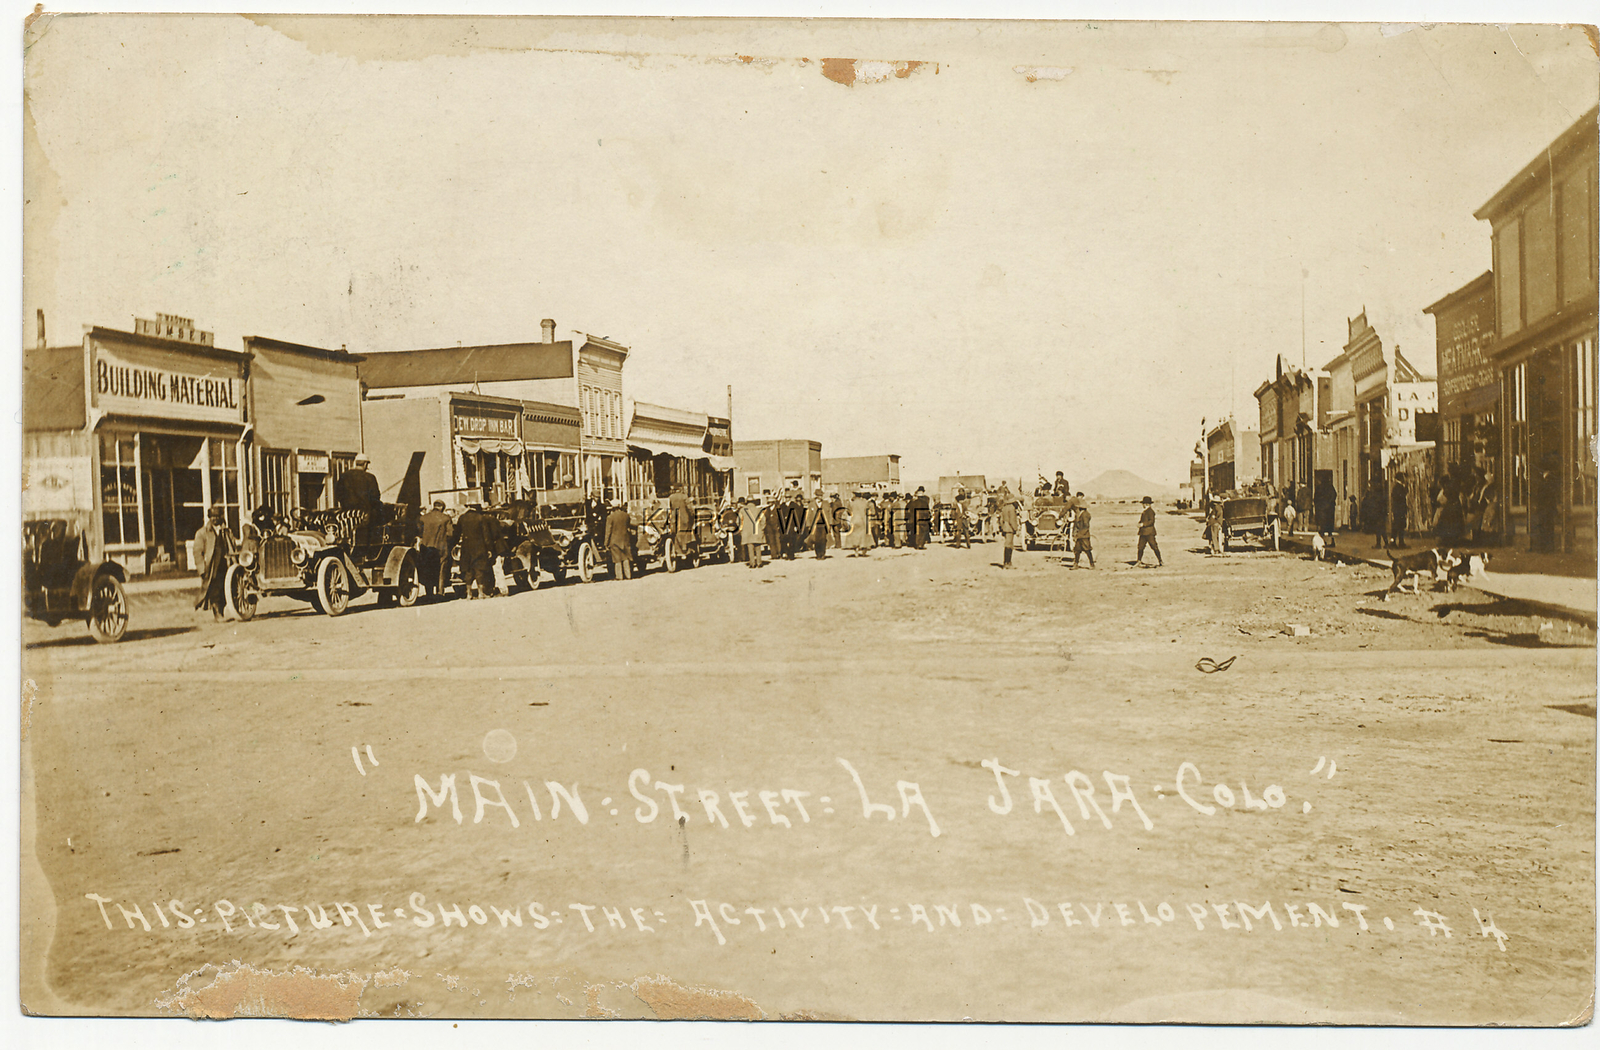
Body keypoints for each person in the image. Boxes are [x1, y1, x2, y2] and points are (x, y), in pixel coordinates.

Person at [192, 503, 233, 621]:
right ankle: (217, 614)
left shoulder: (226, 531)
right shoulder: (202, 533)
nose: (215, 519)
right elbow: (197, 552)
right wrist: (201, 568)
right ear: (209, 518)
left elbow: (232, 546)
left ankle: (221, 611)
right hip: (212, 566)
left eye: (217, 516)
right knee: (214, 590)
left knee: (226, 589)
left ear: (221, 517)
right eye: (212, 516)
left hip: (225, 564)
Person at [455, 501, 497, 598]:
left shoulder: (462, 518)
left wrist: (455, 543)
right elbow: (486, 535)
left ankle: (469, 593)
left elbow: (457, 533)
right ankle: (480, 593)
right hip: (480, 547)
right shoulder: (480, 518)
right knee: (479, 570)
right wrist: (489, 549)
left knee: (468, 570)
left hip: (466, 547)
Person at [419, 499, 455, 598]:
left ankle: (429, 593)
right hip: (441, 548)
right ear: (442, 507)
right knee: (441, 570)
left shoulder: (423, 518)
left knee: (428, 569)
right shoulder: (445, 518)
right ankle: (440, 592)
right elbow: (450, 534)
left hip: (426, 548)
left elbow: (419, 532)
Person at [605, 500, 635, 579]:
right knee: (626, 558)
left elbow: (608, 531)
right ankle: (628, 575)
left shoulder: (610, 517)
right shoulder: (626, 515)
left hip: (614, 541)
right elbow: (629, 526)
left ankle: (619, 576)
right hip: (625, 539)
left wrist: (606, 543)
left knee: (617, 559)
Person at [668, 486, 694, 571]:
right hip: (684, 518)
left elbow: (670, 508)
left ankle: (678, 550)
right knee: (686, 534)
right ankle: (686, 550)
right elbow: (689, 508)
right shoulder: (684, 496)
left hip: (674, 519)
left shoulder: (671, 497)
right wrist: (692, 514)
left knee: (675, 535)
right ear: (680, 490)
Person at [997, 483, 1021, 568]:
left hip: (1005, 527)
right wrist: (1016, 528)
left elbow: (1001, 520)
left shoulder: (1004, 508)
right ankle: (1007, 563)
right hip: (1010, 528)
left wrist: (1002, 527)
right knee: (1009, 545)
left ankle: (1006, 563)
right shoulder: (1011, 508)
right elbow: (1012, 520)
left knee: (1007, 544)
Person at [1135, 495, 1163, 566]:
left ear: (1146, 504)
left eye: (1143, 504)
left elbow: (1151, 521)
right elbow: (1143, 520)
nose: (1142, 505)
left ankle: (1160, 561)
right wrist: (1139, 523)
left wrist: (1143, 524)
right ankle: (1139, 561)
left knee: (1154, 546)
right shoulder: (1145, 511)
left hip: (1149, 533)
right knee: (1140, 547)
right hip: (1143, 533)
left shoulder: (1150, 511)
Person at [845, 492, 872, 556]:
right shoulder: (865, 503)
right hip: (863, 520)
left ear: (855, 496)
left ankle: (856, 551)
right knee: (863, 536)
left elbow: (849, 512)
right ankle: (863, 551)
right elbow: (868, 511)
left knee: (854, 536)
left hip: (854, 520)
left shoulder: (851, 503)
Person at [804, 495, 830, 559]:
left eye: (821, 495)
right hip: (815, 525)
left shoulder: (826, 504)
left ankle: (823, 553)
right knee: (816, 540)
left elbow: (829, 514)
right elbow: (809, 515)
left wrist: (830, 524)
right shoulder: (811, 505)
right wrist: (808, 525)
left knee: (823, 539)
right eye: (819, 495)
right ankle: (818, 554)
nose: (821, 497)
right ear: (816, 496)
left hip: (823, 525)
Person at [1071, 500, 1095, 568]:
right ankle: (1076, 564)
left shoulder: (1085, 515)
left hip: (1084, 536)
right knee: (1077, 550)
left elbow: (1086, 526)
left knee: (1087, 550)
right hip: (1081, 535)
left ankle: (1092, 564)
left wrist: (1079, 534)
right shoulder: (1082, 514)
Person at [1390, 477, 1410, 548]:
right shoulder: (1399, 487)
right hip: (1399, 510)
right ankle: (1399, 543)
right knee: (1400, 526)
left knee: (1397, 526)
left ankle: (1393, 542)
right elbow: (1402, 496)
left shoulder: (1396, 487)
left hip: (1397, 510)